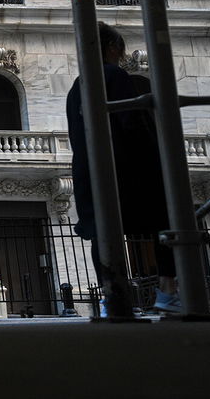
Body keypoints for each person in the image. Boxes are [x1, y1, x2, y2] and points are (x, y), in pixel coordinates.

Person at [67, 21, 179, 314]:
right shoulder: (114, 74)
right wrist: (159, 159)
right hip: (127, 170)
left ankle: (112, 296)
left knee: (101, 233)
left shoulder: (76, 85)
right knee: (168, 221)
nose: (121, 57)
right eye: (121, 51)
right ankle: (168, 293)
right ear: (113, 48)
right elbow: (132, 123)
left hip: (88, 172)